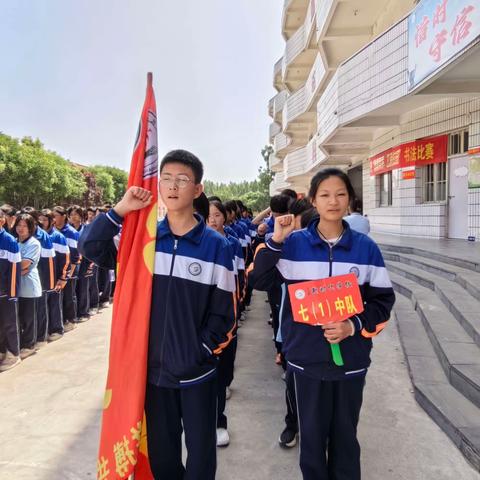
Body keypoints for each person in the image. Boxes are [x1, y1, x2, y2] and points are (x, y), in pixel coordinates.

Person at [79, 149, 236, 480]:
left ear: (198, 189)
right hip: (151, 376)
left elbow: (225, 314)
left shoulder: (216, 246)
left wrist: (200, 351)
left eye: (182, 180)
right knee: (162, 460)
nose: (173, 186)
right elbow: (90, 247)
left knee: (200, 459)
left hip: (197, 374)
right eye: (166, 179)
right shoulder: (143, 241)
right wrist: (121, 209)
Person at [252, 168, 395, 480]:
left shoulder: (366, 248)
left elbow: (383, 302)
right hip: (306, 361)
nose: (333, 201)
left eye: (340, 194)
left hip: (351, 361)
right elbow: (258, 280)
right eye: (325, 195)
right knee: (312, 443)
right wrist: (276, 239)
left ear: (350, 200)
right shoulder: (293, 244)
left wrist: (352, 326)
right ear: (313, 201)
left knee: (346, 440)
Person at [207, 200, 245, 448]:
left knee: (221, 373)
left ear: (225, 217)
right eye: (208, 215)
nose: (212, 220)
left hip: (224, 315)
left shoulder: (230, 243)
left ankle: (219, 423)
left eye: (217, 215)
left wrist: (236, 307)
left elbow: (238, 277)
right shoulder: (194, 243)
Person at [38, 209, 70, 342]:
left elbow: (65, 259)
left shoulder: (58, 236)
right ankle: (44, 331)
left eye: (45, 220)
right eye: (40, 220)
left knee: (55, 304)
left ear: (52, 221)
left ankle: (57, 329)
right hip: (43, 277)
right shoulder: (38, 236)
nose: (42, 222)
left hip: (56, 276)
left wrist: (63, 277)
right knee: (43, 307)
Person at [14, 213, 42, 360]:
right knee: (17, 318)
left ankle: (29, 346)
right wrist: (18, 268)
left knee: (28, 319)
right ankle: (21, 344)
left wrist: (13, 267)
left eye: (25, 226)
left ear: (31, 228)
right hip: (16, 286)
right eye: (19, 225)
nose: (21, 228)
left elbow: (25, 264)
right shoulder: (14, 241)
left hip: (29, 286)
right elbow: (20, 267)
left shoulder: (34, 243)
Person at [53, 206, 81, 331]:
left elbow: (75, 256)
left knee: (69, 296)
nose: (53, 218)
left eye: (56, 215)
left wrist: (69, 274)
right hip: (58, 270)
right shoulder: (52, 231)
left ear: (63, 216)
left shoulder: (71, 232)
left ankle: (71, 319)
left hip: (70, 270)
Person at [0, 209, 22, 372]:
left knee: (9, 324)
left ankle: (13, 354)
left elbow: (15, 269)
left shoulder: (9, 241)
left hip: (6, 293)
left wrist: (12, 294)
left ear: (2, 221)